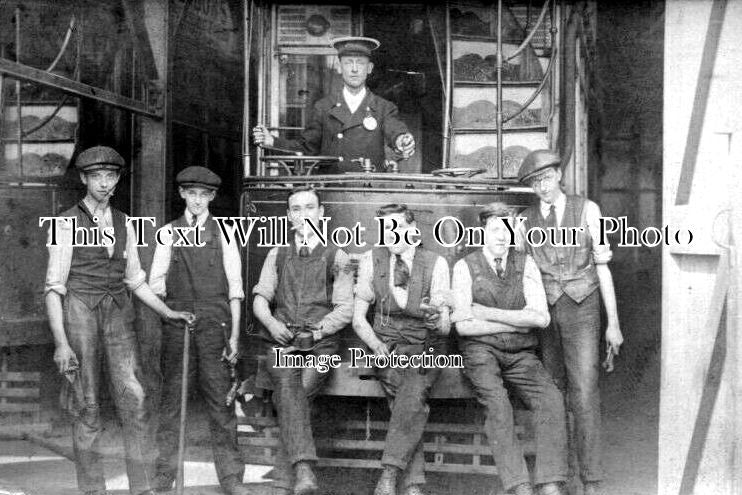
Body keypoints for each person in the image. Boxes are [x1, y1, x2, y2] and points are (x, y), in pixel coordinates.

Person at [44, 145, 193, 495]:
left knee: (135, 399)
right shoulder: (65, 223)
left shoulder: (126, 222)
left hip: (118, 316)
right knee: (87, 403)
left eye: (110, 176)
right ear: (84, 179)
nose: (104, 183)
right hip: (80, 312)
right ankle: (93, 490)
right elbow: (53, 289)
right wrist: (62, 344)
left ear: (117, 179)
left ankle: (142, 488)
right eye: (96, 176)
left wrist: (168, 312)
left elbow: (135, 280)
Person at [517, 150, 624, 495]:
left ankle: (591, 480)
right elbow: (524, 276)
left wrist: (614, 324)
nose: (543, 187)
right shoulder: (524, 221)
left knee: (585, 392)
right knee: (552, 394)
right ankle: (557, 478)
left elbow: (602, 268)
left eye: (547, 178)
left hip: (583, 309)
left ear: (559, 175)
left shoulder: (588, 210)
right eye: (535, 183)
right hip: (546, 315)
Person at [451, 203, 567, 495]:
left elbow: (540, 318)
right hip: (480, 352)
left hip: (520, 353)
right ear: (483, 232)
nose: (502, 237)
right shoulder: (465, 266)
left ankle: (550, 482)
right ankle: (519, 485)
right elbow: (463, 327)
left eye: (507, 230)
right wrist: (517, 323)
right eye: (495, 230)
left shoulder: (526, 264)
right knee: (498, 406)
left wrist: (488, 314)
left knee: (551, 398)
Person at [147, 166, 250, 495]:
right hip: (178, 324)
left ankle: (231, 478)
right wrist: (171, 312)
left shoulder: (225, 233)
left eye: (203, 195)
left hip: (215, 324)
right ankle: (164, 476)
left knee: (221, 402)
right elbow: (155, 286)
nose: (197, 200)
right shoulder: (168, 233)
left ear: (212, 197)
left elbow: (235, 289)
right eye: (191, 193)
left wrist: (234, 336)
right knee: (172, 403)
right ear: (182, 194)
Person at [252, 186, 354, 495]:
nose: (304, 214)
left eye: (310, 207)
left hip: (322, 344)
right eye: (296, 209)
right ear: (289, 216)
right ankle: (303, 470)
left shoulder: (337, 256)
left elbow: (345, 308)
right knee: (288, 386)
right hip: (282, 341)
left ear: (321, 213)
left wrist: (318, 332)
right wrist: (272, 324)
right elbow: (260, 299)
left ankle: (289, 477)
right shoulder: (277, 254)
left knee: (296, 392)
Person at [353, 204, 451, 495]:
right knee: (411, 397)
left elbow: (445, 327)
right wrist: (376, 345)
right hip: (388, 349)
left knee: (409, 392)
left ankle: (390, 473)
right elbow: (358, 319)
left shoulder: (436, 263)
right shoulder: (371, 260)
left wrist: (436, 319)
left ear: (413, 230)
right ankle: (411, 484)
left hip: (425, 349)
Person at [252, 36, 415, 173]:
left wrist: (402, 140)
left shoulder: (384, 108)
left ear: (369, 68)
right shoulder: (323, 107)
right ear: (339, 67)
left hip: (369, 190)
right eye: (348, 63)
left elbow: (395, 130)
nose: (354, 69)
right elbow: (307, 148)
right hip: (332, 189)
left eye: (360, 63)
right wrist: (272, 141)